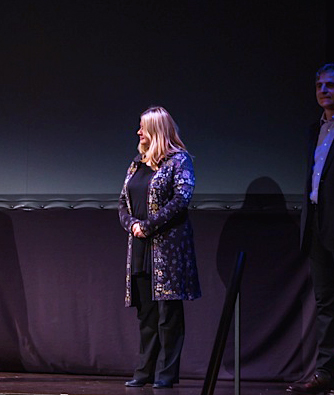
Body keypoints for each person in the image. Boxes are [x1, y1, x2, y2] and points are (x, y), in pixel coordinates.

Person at [288, 64, 334, 395]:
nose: (323, 90)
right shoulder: (314, 130)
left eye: (330, 85)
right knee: (325, 301)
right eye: (319, 84)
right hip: (317, 224)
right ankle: (326, 371)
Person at [118, 106, 201, 388]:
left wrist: (149, 225)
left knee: (168, 316)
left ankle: (166, 375)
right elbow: (122, 204)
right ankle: (144, 373)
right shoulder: (136, 165)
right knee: (147, 315)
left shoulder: (179, 161)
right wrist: (132, 225)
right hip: (141, 249)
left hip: (168, 252)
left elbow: (181, 200)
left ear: (156, 131)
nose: (138, 132)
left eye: (143, 127)